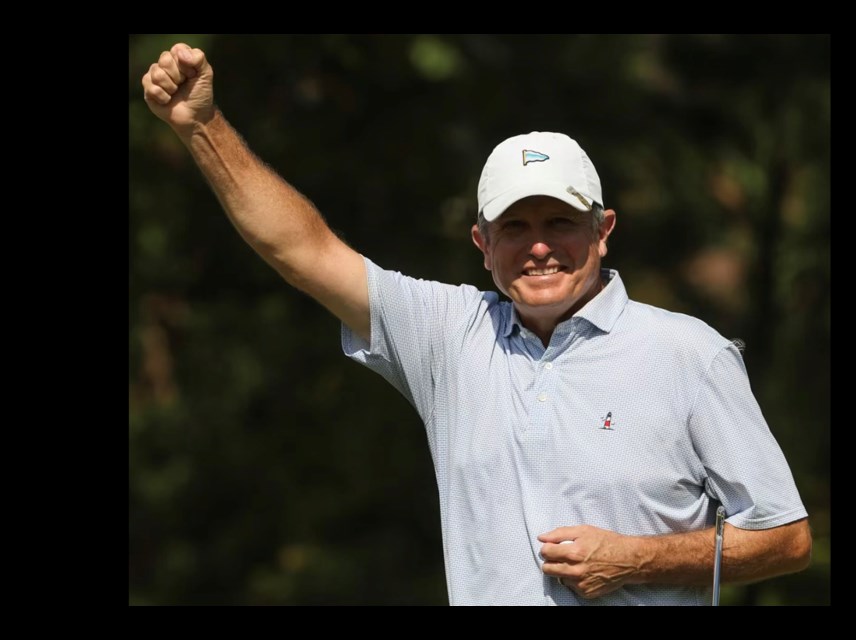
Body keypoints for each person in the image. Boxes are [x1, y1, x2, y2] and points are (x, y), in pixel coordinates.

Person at [142, 42, 812, 606]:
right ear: (482, 243)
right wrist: (201, 127)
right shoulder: (450, 336)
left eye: (560, 222)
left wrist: (636, 559)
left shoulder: (686, 352)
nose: (539, 246)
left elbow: (785, 539)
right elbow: (303, 251)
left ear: (603, 230)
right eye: (515, 227)